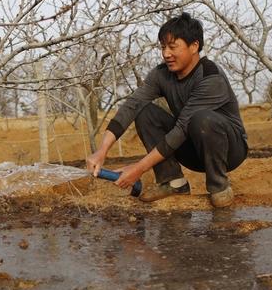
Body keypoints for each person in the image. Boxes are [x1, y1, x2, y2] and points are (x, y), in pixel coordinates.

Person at [86, 12, 248, 208]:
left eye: (173, 47)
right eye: (163, 47)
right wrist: (102, 150)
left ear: (194, 46)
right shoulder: (161, 74)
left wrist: (139, 169)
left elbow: (181, 129)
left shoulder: (211, 77)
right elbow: (132, 104)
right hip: (192, 149)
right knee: (144, 111)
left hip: (229, 149)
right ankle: (173, 182)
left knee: (202, 119)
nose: (166, 54)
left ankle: (219, 186)